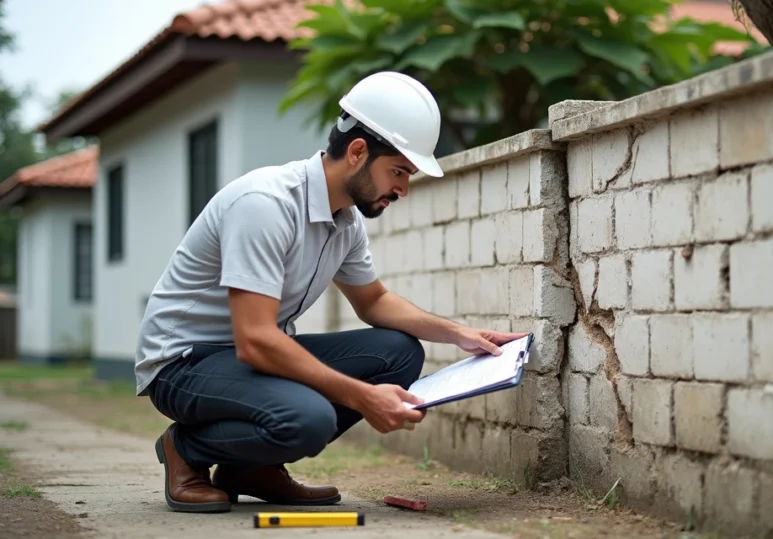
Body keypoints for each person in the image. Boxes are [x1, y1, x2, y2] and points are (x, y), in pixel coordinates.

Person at [134, 71, 526, 514]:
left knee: (398, 353)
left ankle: (248, 469)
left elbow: (373, 302)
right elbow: (257, 340)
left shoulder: (346, 221)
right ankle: (185, 450)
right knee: (309, 419)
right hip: (184, 363)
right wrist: (362, 397)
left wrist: (460, 334)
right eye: (398, 170)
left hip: (248, 357)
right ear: (357, 152)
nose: (403, 188)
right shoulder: (265, 205)